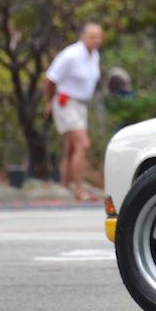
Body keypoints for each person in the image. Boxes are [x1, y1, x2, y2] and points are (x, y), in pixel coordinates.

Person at [44, 22, 103, 201]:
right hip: (66, 101)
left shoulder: (94, 55)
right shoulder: (71, 55)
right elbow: (50, 79)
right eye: (93, 36)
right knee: (82, 144)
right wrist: (48, 102)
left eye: (99, 36)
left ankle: (65, 186)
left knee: (70, 148)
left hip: (81, 104)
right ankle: (79, 189)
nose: (96, 40)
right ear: (83, 36)